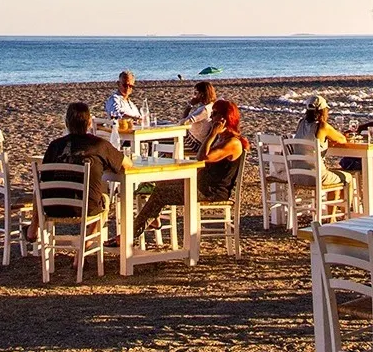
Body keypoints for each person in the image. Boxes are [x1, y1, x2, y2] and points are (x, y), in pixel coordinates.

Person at [132, 100, 246, 239]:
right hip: (201, 184)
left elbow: (201, 157)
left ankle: (129, 235)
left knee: (161, 193)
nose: (211, 118)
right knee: (160, 184)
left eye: (214, 114)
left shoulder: (232, 142)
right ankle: (151, 220)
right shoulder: (222, 138)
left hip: (211, 191)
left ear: (225, 118)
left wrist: (212, 134)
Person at [38, 102, 125, 217]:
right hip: (86, 208)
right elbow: (126, 164)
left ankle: (32, 230)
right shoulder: (99, 144)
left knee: (37, 193)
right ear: (89, 123)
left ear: (66, 123)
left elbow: (45, 177)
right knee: (104, 199)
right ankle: (92, 234)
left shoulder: (55, 145)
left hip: (54, 207)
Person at [181, 82, 217, 153]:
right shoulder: (211, 106)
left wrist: (190, 105)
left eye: (196, 93)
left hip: (195, 144)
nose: (194, 96)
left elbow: (183, 122)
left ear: (202, 94)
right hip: (196, 140)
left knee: (166, 146)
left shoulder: (204, 110)